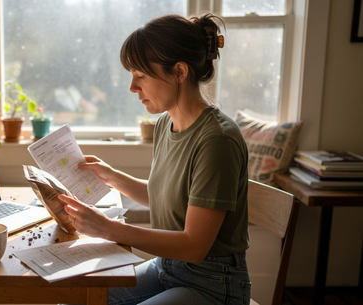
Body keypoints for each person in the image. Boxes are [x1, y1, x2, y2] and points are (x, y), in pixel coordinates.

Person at [58, 13, 251, 305]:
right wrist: (110, 175)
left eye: (141, 75)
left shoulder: (217, 140)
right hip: (168, 266)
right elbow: (165, 197)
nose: (133, 87)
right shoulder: (166, 124)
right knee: (73, 299)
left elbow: (195, 245)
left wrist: (110, 229)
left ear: (180, 72)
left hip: (212, 283)